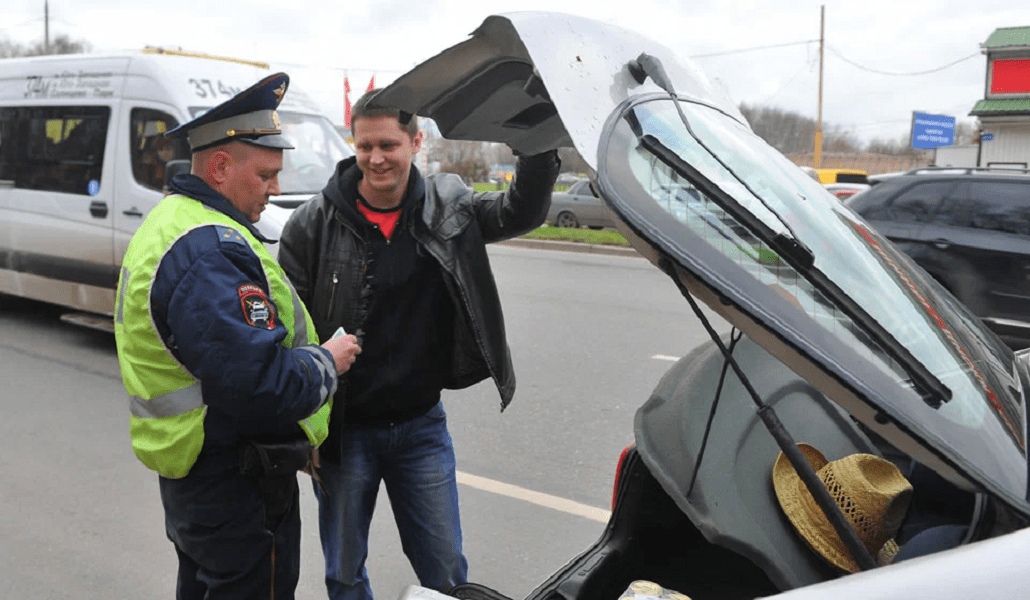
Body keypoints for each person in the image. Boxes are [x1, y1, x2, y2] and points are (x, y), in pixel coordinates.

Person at [278, 89, 561, 599]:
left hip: (420, 429)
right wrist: (303, 430)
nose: (376, 158)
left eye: (388, 144)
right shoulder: (312, 224)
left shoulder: (449, 208)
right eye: (365, 146)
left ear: (415, 141)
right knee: (343, 572)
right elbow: (287, 335)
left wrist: (537, 148)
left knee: (446, 571)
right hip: (344, 433)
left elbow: (521, 212)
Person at [113, 72, 361, 600]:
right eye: (266, 174)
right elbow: (262, 384)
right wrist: (327, 362)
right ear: (221, 167)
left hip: (199, 479)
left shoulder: (176, 222)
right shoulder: (206, 250)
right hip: (234, 484)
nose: (275, 190)